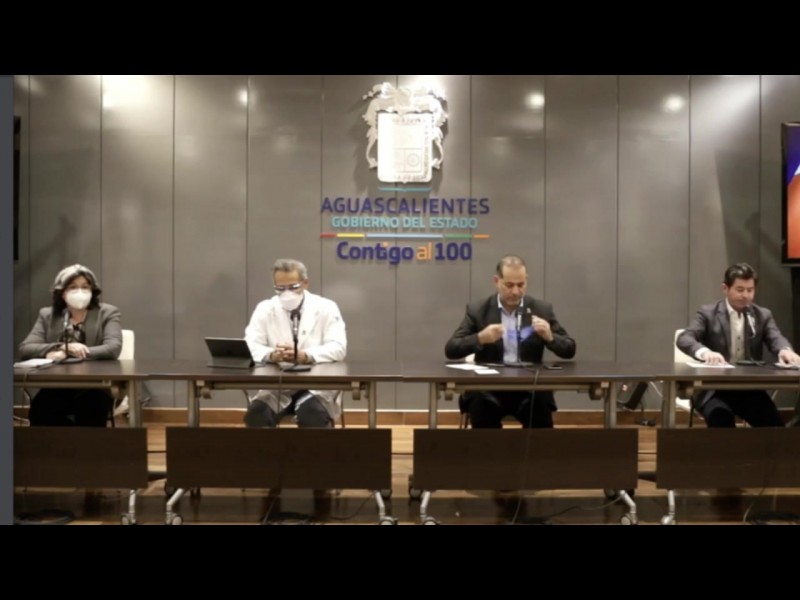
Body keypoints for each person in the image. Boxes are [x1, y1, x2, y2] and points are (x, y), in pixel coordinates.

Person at [444, 255, 576, 428]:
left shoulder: (541, 309)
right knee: (481, 411)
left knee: (541, 414)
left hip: (530, 389)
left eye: (521, 285)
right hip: (489, 389)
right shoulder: (478, 310)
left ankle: (537, 446)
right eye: (509, 285)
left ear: (526, 281)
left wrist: (550, 336)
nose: (515, 292)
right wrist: (480, 338)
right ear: (496, 281)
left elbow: (569, 349)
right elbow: (451, 349)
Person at [676, 262, 800, 428]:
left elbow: (775, 337)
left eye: (750, 290)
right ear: (725, 288)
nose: (746, 295)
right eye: (740, 290)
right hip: (713, 390)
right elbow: (685, 338)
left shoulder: (762, 315)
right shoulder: (708, 313)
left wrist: (785, 350)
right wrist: (705, 352)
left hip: (748, 389)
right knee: (721, 420)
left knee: (774, 427)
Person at [244, 258, 347, 428]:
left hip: (317, 386)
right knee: (256, 415)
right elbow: (250, 345)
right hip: (277, 386)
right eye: (280, 288)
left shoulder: (326, 307)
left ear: (305, 283)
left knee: (312, 414)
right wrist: (272, 355)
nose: (287, 293)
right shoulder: (265, 308)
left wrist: (306, 356)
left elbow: (338, 347)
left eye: (293, 287)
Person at [18, 264, 122, 426]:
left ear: (93, 291)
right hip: (58, 385)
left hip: (95, 386)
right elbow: (26, 348)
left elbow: (113, 348)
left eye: (85, 287)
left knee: (92, 406)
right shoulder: (48, 315)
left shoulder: (107, 312)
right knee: (40, 410)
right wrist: (62, 346)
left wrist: (72, 351)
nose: (80, 292)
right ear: (62, 292)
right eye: (73, 287)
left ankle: (85, 442)